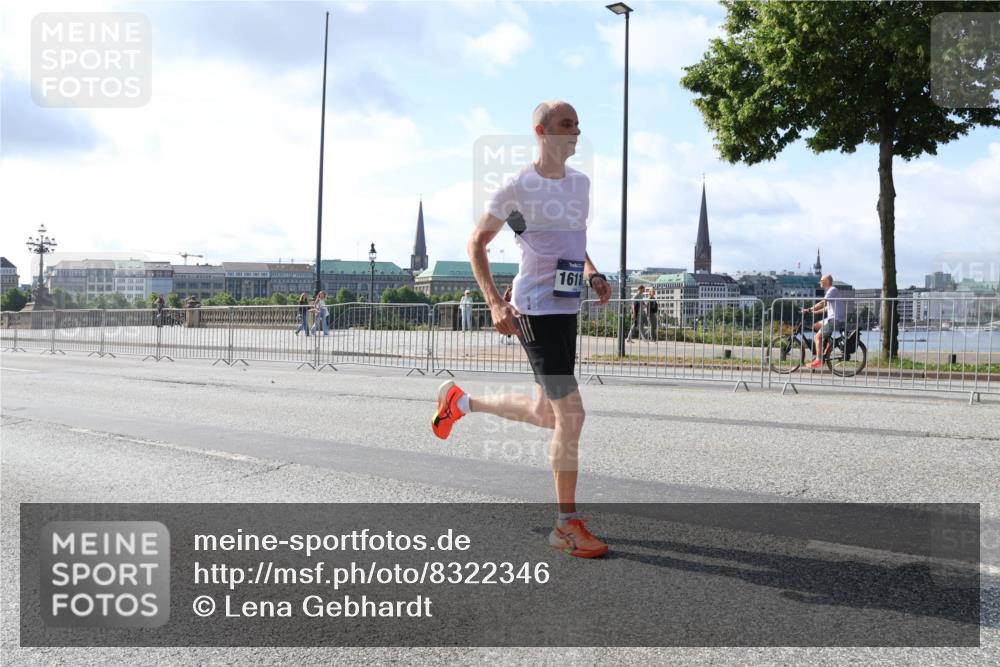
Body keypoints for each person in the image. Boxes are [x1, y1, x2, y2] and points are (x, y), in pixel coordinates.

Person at [431, 100, 612, 558]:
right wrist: (495, 301)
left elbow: (574, 243)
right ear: (542, 130)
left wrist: (592, 273)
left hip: (566, 307)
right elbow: (477, 243)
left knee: (547, 415)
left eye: (577, 123)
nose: (576, 130)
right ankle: (566, 524)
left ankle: (461, 403)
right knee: (572, 415)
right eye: (567, 123)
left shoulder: (581, 185)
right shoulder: (517, 187)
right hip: (534, 310)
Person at [802, 274, 845, 368]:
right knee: (815, 326)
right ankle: (826, 343)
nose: (820, 282)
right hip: (831, 319)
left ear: (826, 281)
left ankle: (818, 360)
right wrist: (814, 312)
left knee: (817, 337)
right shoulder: (830, 291)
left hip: (835, 320)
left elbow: (822, 303)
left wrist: (809, 309)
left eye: (821, 280)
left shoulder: (832, 289)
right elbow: (827, 308)